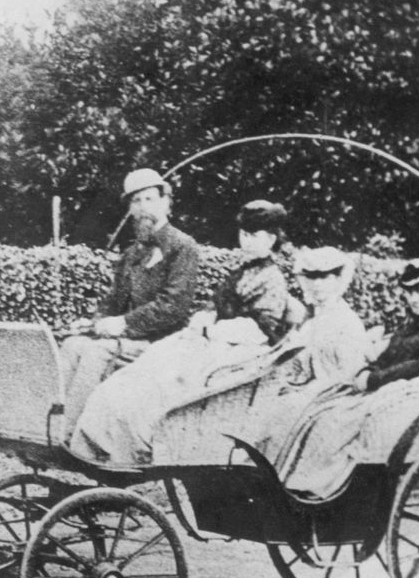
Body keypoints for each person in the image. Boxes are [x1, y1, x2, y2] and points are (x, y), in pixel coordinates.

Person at [70, 199, 301, 465]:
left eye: (254, 236)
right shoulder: (242, 271)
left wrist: (213, 329)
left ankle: (132, 447)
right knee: (133, 379)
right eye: (244, 234)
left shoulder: (272, 279)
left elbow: (263, 328)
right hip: (210, 343)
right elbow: (217, 303)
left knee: (157, 388)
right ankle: (101, 443)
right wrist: (207, 315)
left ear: (271, 239)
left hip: (236, 354)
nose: (246, 241)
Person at [276, 256, 419, 499]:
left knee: (335, 421)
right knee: (321, 412)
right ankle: (304, 481)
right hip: (385, 391)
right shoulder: (413, 326)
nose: (412, 298)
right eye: (408, 292)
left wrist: (375, 379)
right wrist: (369, 370)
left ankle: (325, 486)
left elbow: (412, 368)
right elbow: (390, 357)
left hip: (407, 403)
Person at [58, 167, 200, 435]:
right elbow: (113, 301)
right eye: (136, 201)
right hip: (128, 340)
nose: (143, 207)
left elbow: (173, 307)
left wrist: (123, 324)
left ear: (165, 202)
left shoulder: (184, 247)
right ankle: (52, 422)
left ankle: (73, 433)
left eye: (149, 199)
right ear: (130, 209)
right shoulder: (132, 253)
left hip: (163, 343)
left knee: (95, 352)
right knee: (73, 344)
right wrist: (95, 322)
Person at [248, 245, 373, 455]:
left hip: (338, 394)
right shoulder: (313, 320)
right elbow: (295, 358)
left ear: (337, 280)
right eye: (312, 278)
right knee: (263, 403)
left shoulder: (346, 322)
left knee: (285, 411)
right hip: (310, 388)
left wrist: (306, 390)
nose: (317, 285)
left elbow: (349, 374)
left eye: (324, 278)